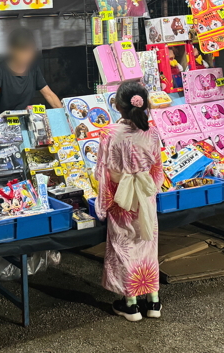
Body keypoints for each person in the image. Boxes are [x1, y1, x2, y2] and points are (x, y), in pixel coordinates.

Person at [94, 80, 164, 321]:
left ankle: (131, 304)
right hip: (145, 194)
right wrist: (150, 189)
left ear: (117, 106)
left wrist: (103, 202)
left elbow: (102, 171)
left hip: (121, 197)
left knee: (124, 246)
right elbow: (158, 170)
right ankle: (153, 302)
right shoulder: (152, 132)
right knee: (147, 244)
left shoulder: (109, 134)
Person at [0, 27, 62, 112]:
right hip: (6, 119)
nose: (28, 56)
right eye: (24, 51)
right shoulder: (1, 70)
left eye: (30, 51)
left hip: (26, 117)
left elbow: (49, 95)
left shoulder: (33, 68)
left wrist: (64, 115)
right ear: (13, 50)